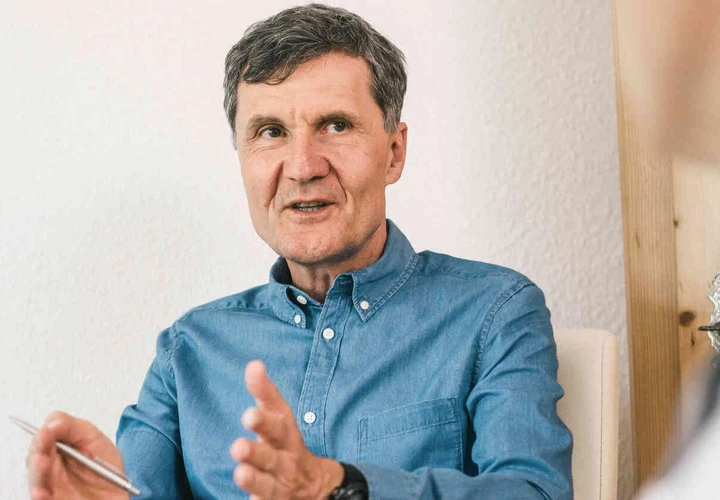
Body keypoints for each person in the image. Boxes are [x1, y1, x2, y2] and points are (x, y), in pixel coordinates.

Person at [25, 4, 572, 499]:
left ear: (394, 152)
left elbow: (534, 493)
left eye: (335, 125)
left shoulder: (495, 312)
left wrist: (339, 486)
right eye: (270, 132)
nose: (303, 166)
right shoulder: (187, 351)